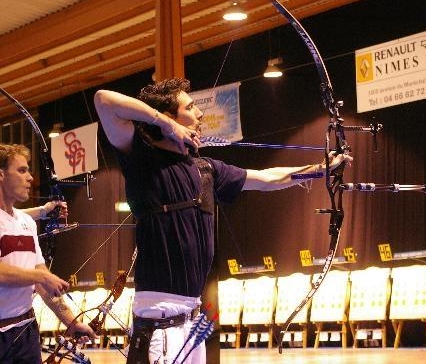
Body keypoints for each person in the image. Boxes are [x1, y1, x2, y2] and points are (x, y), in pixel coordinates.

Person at [94, 77, 352, 364]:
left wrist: (320, 169)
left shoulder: (206, 169)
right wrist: (169, 126)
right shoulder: (142, 158)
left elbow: (268, 178)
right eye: (190, 107)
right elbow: (103, 100)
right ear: (169, 118)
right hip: (159, 320)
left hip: (192, 321)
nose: (200, 114)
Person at [0, 144, 97, 364]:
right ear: (2, 175)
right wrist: (40, 277)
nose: (30, 178)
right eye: (22, 170)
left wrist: (71, 322)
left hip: (25, 333)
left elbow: (44, 282)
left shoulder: (26, 222)